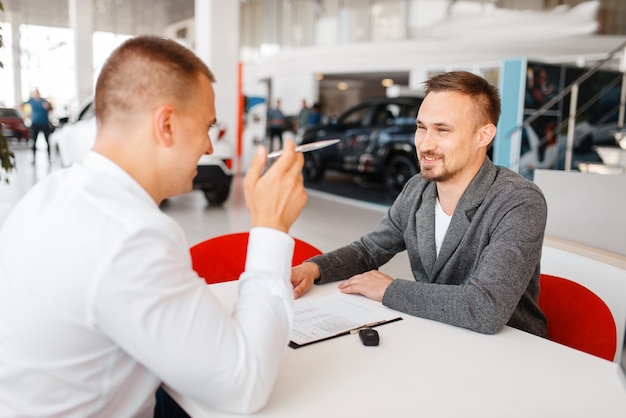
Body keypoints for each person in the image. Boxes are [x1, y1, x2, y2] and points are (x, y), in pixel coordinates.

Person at [0, 35, 307, 417]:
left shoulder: (49, 194)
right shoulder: (130, 235)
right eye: (207, 127)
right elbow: (243, 388)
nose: (210, 147)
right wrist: (271, 228)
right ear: (166, 124)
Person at [291, 71, 548, 337]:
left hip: (511, 353)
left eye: (442, 130)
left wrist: (390, 290)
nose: (425, 143)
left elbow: (485, 307)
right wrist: (314, 268)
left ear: (483, 136)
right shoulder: (417, 188)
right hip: (438, 335)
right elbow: (368, 250)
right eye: (421, 127)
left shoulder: (519, 201)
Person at [23, 88, 53, 161]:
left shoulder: (44, 101)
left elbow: (51, 109)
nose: (37, 94)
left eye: (38, 93)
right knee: (34, 141)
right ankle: (34, 158)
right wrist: (26, 114)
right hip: (35, 124)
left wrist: (47, 107)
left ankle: (49, 157)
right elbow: (21, 105)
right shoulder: (31, 100)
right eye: (35, 93)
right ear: (34, 94)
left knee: (47, 141)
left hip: (44, 124)